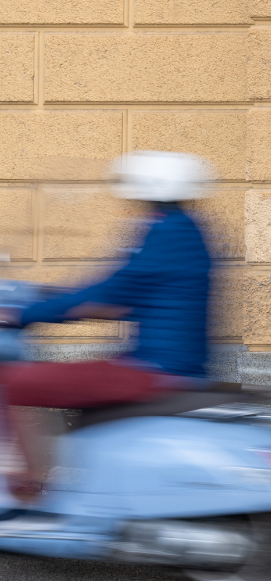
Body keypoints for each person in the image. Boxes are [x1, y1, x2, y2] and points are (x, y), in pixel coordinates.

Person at [0, 151, 214, 503]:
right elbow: (124, 298)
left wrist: (21, 315)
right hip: (173, 365)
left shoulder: (162, 234)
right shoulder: (191, 230)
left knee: (12, 382)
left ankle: (28, 488)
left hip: (152, 370)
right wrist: (52, 297)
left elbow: (107, 293)